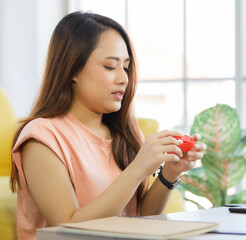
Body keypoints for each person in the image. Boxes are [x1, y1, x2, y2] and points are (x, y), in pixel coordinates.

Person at [9, 11, 205, 240]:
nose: (124, 79)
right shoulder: (41, 138)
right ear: (72, 69)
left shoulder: (125, 133)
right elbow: (68, 228)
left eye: (126, 67)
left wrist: (170, 173)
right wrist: (137, 169)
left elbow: (140, 218)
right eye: (110, 67)